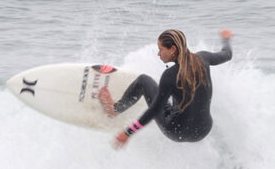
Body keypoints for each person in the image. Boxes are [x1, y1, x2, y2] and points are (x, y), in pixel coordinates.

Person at [99, 29, 233, 149]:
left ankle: (114, 109)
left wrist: (128, 132)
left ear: (173, 49)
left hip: (176, 131)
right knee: (182, 94)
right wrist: (226, 39)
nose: (158, 54)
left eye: (161, 49)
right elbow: (227, 54)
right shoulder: (204, 58)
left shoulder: (169, 76)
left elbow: (154, 109)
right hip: (203, 131)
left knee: (144, 81)